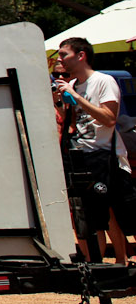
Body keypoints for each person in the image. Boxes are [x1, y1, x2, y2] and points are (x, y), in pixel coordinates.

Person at [56, 36, 136, 263]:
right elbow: (73, 124)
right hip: (83, 157)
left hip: (107, 158)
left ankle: (122, 262)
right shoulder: (72, 85)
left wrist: (78, 99)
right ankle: (97, 266)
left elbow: (109, 118)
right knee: (91, 217)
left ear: (81, 56)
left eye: (64, 54)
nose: (61, 60)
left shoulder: (103, 81)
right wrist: (61, 104)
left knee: (118, 214)